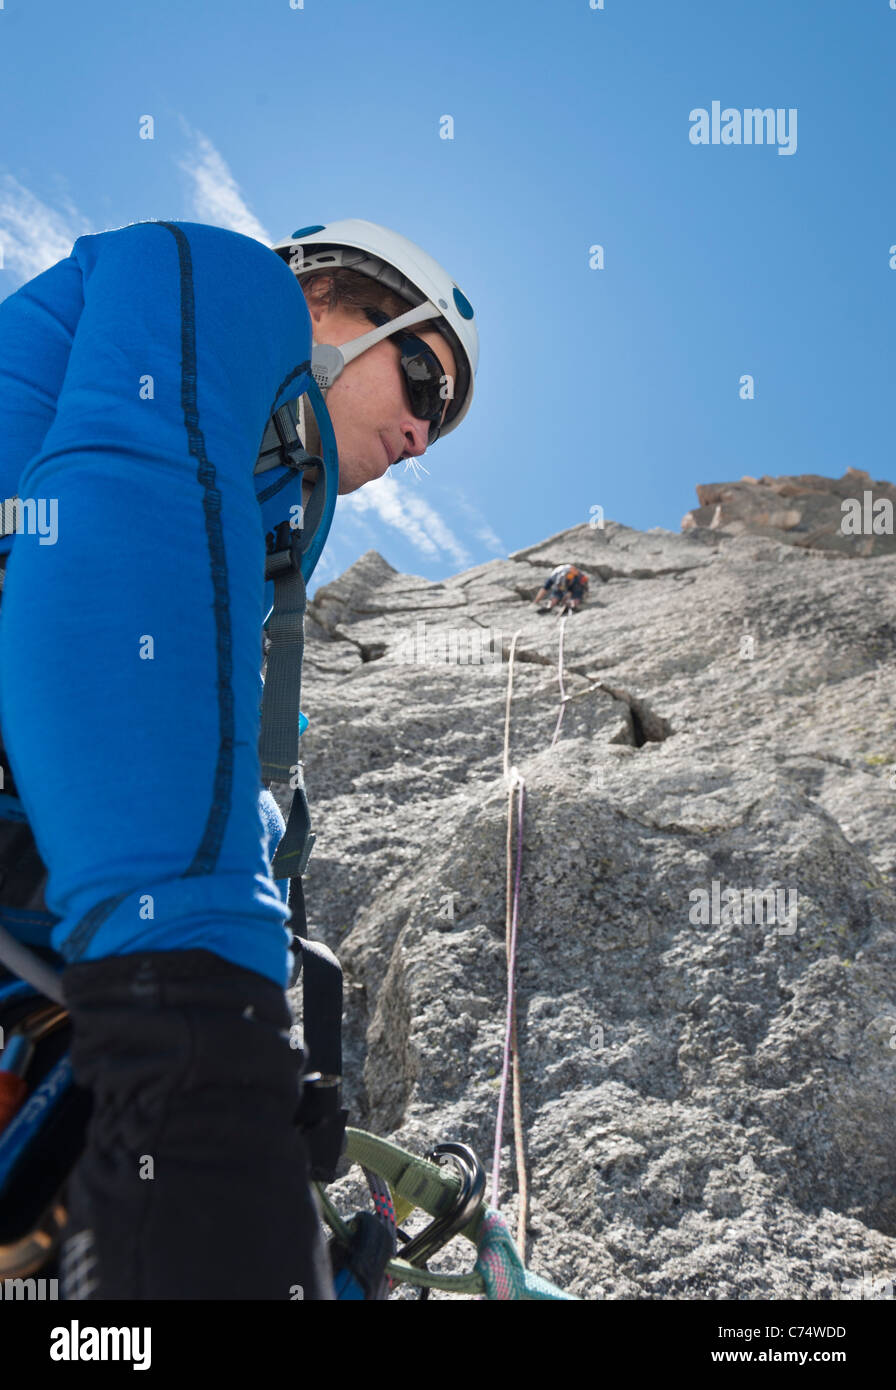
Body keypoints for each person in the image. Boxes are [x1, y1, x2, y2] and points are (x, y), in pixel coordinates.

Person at [0, 217, 478, 1299]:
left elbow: (220, 749)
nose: (420, 433)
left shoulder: (281, 514)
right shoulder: (218, 280)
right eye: (418, 380)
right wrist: (208, 1031)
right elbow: (124, 497)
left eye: (439, 425)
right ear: (320, 301)